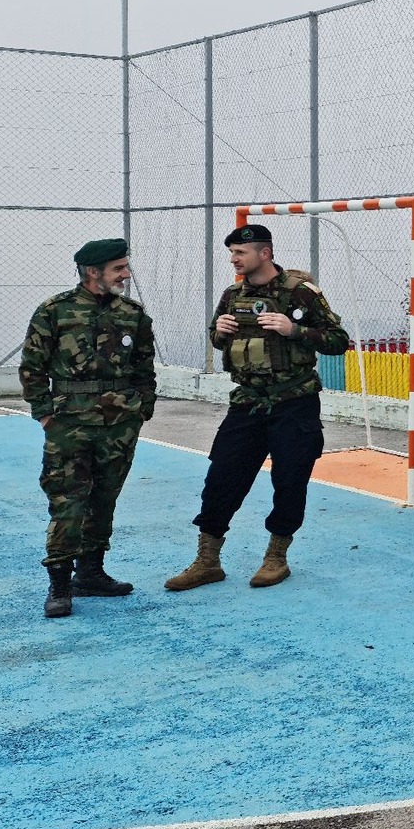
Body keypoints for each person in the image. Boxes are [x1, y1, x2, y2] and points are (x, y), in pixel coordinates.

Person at [168, 225, 350, 592]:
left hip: (294, 403)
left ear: (264, 253)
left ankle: (276, 557)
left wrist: (293, 330)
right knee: (222, 478)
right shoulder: (232, 294)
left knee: (290, 480)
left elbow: (338, 341)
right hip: (247, 403)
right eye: (232, 253)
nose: (233, 259)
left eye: (240, 253)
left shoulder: (301, 293)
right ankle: (207, 561)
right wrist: (219, 331)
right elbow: (217, 340)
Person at [21, 237, 157, 618]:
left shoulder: (132, 314)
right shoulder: (55, 311)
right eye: (118, 269)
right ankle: (60, 584)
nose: (126, 274)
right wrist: (45, 415)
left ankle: (91, 573)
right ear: (92, 272)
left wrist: (142, 410)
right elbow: (32, 367)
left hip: (120, 425)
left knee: (104, 498)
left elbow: (144, 366)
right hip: (69, 424)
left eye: (125, 266)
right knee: (67, 501)